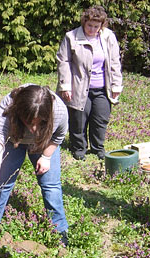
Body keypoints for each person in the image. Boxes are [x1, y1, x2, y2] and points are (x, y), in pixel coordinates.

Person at [0, 84, 70, 245]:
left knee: (51, 185)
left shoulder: (59, 110)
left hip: (43, 144)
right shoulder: (10, 104)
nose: (34, 128)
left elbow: (58, 135)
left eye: (40, 122)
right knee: (2, 182)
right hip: (14, 139)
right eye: (29, 122)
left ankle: (60, 229)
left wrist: (46, 156)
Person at [56, 5, 123, 161]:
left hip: (102, 89)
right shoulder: (71, 37)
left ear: (101, 25)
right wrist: (66, 85)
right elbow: (63, 61)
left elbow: (114, 62)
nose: (92, 29)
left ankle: (98, 148)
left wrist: (116, 85)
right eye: (89, 25)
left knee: (100, 119)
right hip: (78, 87)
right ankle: (79, 148)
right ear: (84, 22)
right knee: (78, 120)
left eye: (96, 26)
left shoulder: (108, 37)